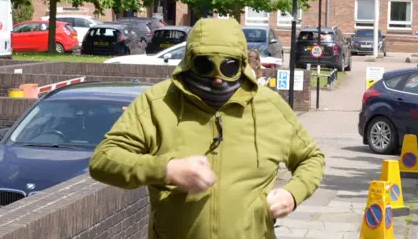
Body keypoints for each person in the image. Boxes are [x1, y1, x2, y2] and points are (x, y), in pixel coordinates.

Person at [89, 18, 325, 239]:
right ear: (189, 61)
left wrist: (292, 194)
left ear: (242, 64)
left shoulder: (269, 106)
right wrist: (167, 169)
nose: (218, 78)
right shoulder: (158, 103)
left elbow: (311, 158)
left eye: (229, 66)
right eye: (205, 65)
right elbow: (104, 160)